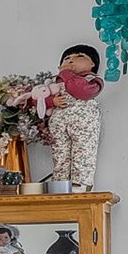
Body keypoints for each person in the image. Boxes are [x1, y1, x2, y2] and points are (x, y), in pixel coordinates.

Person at [45, 44, 103, 190]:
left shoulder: (93, 81)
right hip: (59, 123)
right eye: (67, 58)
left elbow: (80, 90)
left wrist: (66, 74)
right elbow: (38, 99)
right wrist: (52, 101)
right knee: (60, 153)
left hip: (83, 123)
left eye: (79, 56)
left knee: (83, 152)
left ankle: (81, 184)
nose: (71, 60)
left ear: (92, 64)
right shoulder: (54, 84)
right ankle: (59, 183)